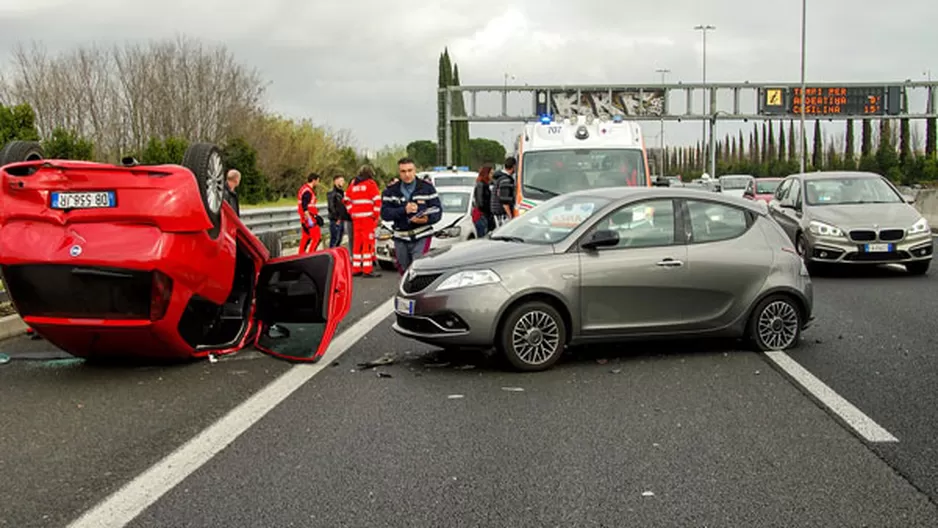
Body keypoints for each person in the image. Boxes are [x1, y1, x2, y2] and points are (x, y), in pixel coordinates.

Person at [381, 157, 442, 274]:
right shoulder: (391, 191)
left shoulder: (427, 188)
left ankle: (420, 292)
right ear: (399, 172)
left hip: (422, 235)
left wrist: (426, 219)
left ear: (415, 171)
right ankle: (405, 291)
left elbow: (437, 211)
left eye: (410, 170)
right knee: (404, 271)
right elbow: (385, 214)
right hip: (400, 236)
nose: (407, 174)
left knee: (418, 267)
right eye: (403, 171)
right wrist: (404, 210)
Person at [343, 165, 383, 277]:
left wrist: (351, 212)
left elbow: (346, 199)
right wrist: (375, 215)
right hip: (367, 219)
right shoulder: (370, 184)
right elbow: (377, 200)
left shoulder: (353, 184)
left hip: (356, 219)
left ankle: (356, 268)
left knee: (357, 244)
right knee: (368, 244)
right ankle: (367, 270)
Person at [297, 173, 324, 253]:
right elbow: (304, 206)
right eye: (317, 181)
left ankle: (300, 255)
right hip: (309, 218)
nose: (318, 183)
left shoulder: (304, 188)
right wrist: (310, 219)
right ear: (314, 180)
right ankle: (311, 255)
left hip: (304, 218)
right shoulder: (308, 191)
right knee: (317, 237)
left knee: (306, 237)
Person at [490, 156, 517, 227]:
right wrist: (510, 216)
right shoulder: (505, 180)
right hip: (502, 214)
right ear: (514, 166)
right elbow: (505, 201)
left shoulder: (500, 178)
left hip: (497, 212)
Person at [327, 175, 351, 249]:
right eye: (341, 180)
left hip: (342, 219)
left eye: (343, 181)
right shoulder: (331, 193)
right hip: (336, 220)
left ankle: (335, 256)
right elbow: (331, 207)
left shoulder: (342, 193)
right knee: (334, 240)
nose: (343, 182)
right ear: (336, 181)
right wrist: (337, 218)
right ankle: (331, 256)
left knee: (339, 240)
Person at [472, 165, 493, 237]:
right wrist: (489, 209)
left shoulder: (485, 185)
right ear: (486, 174)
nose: (492, 175)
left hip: (484, 215)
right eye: (490, 173)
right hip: (481, 215)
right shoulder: (481, 185)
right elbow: (481, 202)